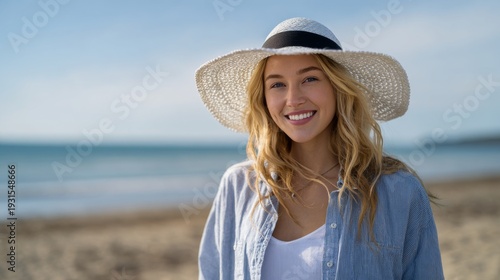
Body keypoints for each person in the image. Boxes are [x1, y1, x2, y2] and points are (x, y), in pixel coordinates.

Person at [195, 17, 444, 279]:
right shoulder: (238, 187)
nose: (293, 99)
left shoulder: (398, 192)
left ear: (338, 87)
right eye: (277, 84)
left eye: (310, 79)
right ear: (264, 98)